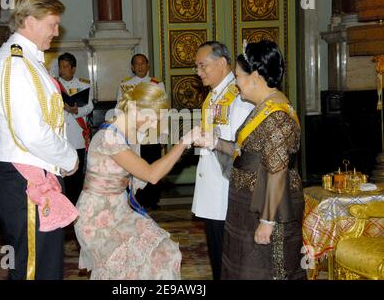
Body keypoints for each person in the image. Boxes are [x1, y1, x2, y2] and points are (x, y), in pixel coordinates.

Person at [0, 0, 79, 280]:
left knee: (45, 268)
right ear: (29, 20)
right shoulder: (15, 63)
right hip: (24, 180)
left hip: (34, 176)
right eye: (52, 23)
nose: (56, 30)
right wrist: (69, 158)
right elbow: (31, 131)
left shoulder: (29, 61)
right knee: (33, 271)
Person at [198, 40, 306, 279]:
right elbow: (244, 150)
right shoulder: (261, 107)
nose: (235, 83)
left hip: (268, 205)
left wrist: (267, 221)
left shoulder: (277, 115)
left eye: (237, 76)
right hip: (248, 203)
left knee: (264, 269)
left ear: (254, 76)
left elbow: (277, 172)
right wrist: (214, 143)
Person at [74, 82, 200, 279]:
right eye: (150, 119)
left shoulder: (125, 134)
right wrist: (183, 142)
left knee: (164, 253)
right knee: (129, 270)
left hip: (118, 210)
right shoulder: (110, 137)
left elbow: (138, 176)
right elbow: (151, 175)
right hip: (98, 218)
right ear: (133, 109)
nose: (152, 126)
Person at [191, 41, 254, 280]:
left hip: (226, 189)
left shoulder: (239, 96)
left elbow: (243, 148)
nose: (199, 72)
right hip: (213, 187)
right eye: (197, 67)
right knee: (218, 255)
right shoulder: (215, 95)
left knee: (229, 258)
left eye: (203, 66)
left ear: (222, 63)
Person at [117, 54, 166, 210]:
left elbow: (163, 109)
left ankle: (152, 200)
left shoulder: (157, 84)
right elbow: (119, 108)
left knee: (153, 164)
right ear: (132, 67)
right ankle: (135, 198)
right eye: (136, 64)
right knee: (134, 165)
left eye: (142, 63)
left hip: (152, 131)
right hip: (133, 131)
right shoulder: (125, 84)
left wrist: (163, 134)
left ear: (147, 65)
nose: (140, 66)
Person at [56, 52, 94, 205]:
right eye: (60, 67)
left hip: (77, 135)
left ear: (73, 68)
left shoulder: (83, 84)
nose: (62, 70)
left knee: (77, 174)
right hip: (61, 135)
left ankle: (77, 204)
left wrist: (76, 110)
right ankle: (63, 204)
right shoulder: (54, 85)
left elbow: (90, 106)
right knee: (62, 172)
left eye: (65, 67)